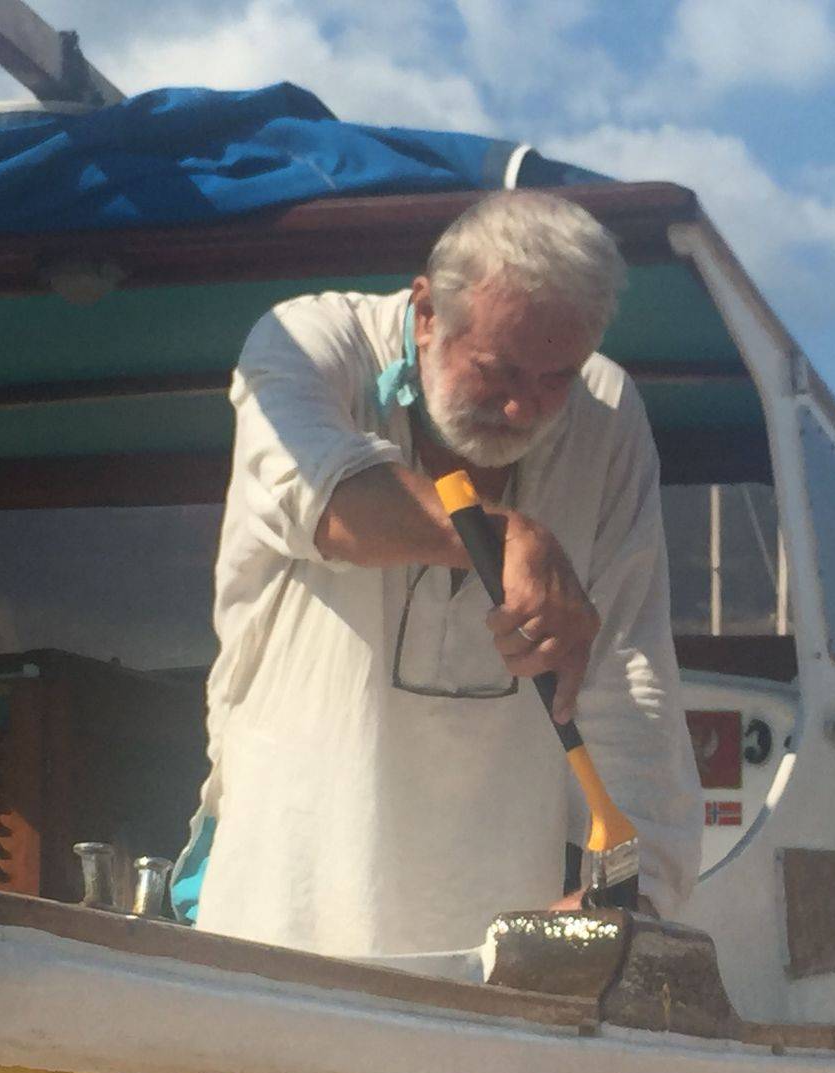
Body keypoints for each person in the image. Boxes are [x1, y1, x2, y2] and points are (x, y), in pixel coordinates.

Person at [173, 190, 702, 957]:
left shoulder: (608, 412)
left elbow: (626, 668)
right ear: (426, 312)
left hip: (496, 954)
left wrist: (632, 889)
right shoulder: (305, 344)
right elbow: (326, 501)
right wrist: (505, 535)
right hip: (279, 922)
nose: (523, 408)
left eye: (557, 377)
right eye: (498, 370)